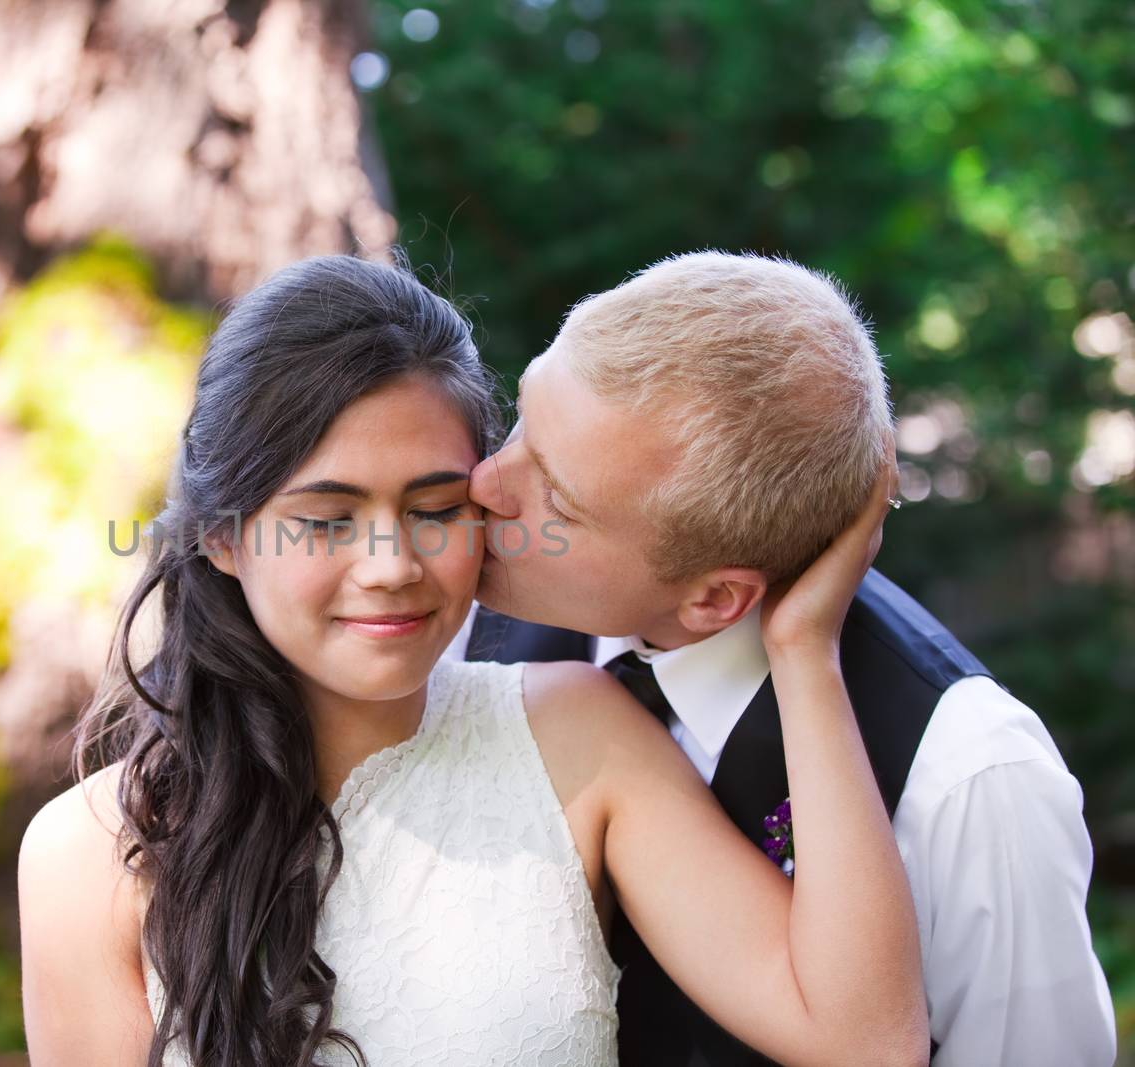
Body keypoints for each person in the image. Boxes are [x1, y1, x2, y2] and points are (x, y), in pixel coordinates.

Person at [17, 255, 930, 1067]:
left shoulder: (576, 737)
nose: (390, 567)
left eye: (434, 505)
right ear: (221, 535)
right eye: (327, 518)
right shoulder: (85, 858)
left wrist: (804, 649)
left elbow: (867, 1043)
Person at [446, 250, 1118, 1066]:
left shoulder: (972, 776)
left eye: (555, 498)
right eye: (522, 420)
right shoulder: (454, 634)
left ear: (714, 599)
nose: (482, 482)